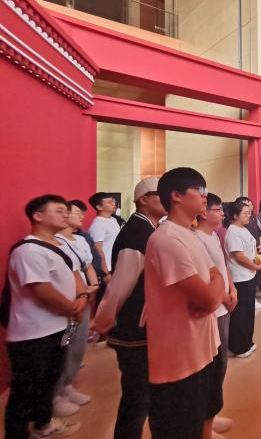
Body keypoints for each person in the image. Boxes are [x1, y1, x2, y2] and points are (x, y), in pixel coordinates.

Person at [144, 167, 225, 439]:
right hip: (181, 354)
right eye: (199, 191)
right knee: (181, 426)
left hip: (203, 343)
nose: (205, 197)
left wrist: (214, 286)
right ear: (176, 195)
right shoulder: (166, 239)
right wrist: (214, 290)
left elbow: (214, 276)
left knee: (205, 409)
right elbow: (210, 296)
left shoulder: (189, 234)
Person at [4, 195, 84, 438]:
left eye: (66, 210)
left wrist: (81, 298)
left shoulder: (59, 245)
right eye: (59, 210)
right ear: (38, 216)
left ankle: (43, 424)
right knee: (26, 387)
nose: (65, 214)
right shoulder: (29, 250)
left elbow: (74, 276)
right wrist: (73, 308)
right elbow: (43, 292)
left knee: (50, 379)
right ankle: (17, 433)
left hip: (60, 326)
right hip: (33, 333)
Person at [92, 177, 165, 439]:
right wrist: (103, 322)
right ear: (143, 199)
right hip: (133, 327)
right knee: (137, 397)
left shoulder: (148, 227)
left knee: (146, 393)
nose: (168, 197)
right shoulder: (137, 233)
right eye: (160, 193)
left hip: (144, 324)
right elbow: (121, 286)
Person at [195, 193, 238, 437]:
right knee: (212, 367)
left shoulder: (213, 235)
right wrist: (224, 297)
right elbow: (205, 278)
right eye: (218, 209)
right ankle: (203, 425)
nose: (222, 214)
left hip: (223, 306)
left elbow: (222, 268)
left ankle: (210, 417)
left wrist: (232, 288)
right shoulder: (196, 239)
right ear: (204, 212)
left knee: (220, 366)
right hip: (213, 311)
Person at [53, 201, 99, 417]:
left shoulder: (80, 239)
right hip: (68, 301)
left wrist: (93, 287)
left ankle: (67, 385)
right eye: (76, 213)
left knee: (78, 344)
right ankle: (55, 394)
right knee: (65, 344)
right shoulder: (54, 242)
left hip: (84, 297)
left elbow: (87, 266)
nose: (81, 216)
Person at [225, 203, 261, 358]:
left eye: (249, 213)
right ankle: (239, 347)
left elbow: (250, 250)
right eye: (245, 213)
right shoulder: (233, 232)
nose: (249, 216)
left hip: (249, 275)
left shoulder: (243, 229)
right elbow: (239, 256)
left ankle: (247, 341)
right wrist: (255, 267)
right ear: (235, 215)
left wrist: (256, 261)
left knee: (248, 311)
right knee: (240, 314)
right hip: (240, 277)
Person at [87, 192, 120, 277]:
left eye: (113, 201)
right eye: (109, 202)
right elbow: (98, 249)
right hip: (107, 269)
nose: (113, 204)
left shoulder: (113, 220)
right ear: (99, 207)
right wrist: (105, 273)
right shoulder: (98, 224)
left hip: (116, 266)